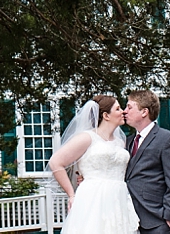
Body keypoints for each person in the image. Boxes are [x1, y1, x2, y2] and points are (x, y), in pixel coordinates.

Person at [47, 95, 140, 234]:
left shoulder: (120, 142)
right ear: (106, 115)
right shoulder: (86, 138)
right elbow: (56, 162)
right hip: (94, 197)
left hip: (118, 197)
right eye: (118, 109)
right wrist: (71, 194)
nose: (123, 112)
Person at [124, 90, 170, 234]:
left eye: (129, 107)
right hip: (130, 220)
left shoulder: (167, 139)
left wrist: (169, 216)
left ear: (144, 112)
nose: (124, 111)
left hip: (158, 221)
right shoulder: (128, 142)